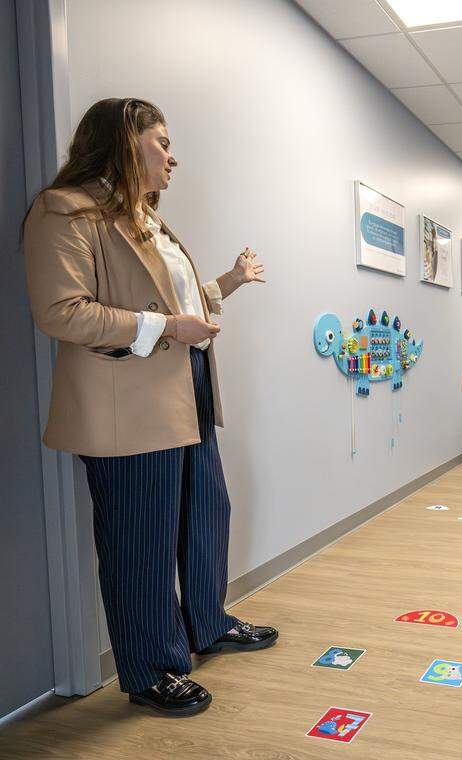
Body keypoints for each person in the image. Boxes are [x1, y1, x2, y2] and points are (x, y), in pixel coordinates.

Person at [22, 98, 276, 717]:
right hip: (125, 404)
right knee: (141, 539)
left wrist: (230, 282)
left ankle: (207, 625)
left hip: (185, 390)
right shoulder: (64, 211)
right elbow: (62, 311)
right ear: (124, 142)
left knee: (204, 513)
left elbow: (177, 306)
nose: (173, 155)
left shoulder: (146, 221)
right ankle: (151, 668)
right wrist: (165, 327)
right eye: (161, 141)